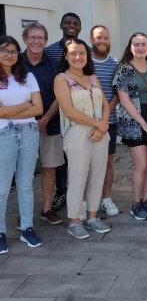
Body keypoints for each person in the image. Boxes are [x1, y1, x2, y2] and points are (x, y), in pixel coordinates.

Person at [54, 38, 112, 239]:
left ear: (87, 56)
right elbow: (69, 111)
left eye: (82, 53)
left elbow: (105, 104)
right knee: (78, 176)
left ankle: (92, 217)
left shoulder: (92, 77)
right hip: (77, 132)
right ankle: (74, 220)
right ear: (66, 55)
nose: (78, 57)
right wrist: (98, 124)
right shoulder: (62, 79)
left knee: (98, 175)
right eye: (73, 53)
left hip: (100, 133)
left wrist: (103, 126)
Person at [114, 32, 147, 220]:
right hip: (134, 124)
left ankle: (146, 199)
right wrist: (143, 123)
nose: (140, 48)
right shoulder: (123, 69)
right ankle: (136, 203)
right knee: (141, 165)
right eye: (136, 44)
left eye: (144, 44)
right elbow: (124, 99)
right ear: (130, 47)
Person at [0, 35, 43, 254]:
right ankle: (0, 232)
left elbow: (38, 108)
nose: (9, 55)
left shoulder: (27, 76)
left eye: (13, 51)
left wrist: (10, 112)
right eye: (4, 50)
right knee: (3, 186)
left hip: (29, 133)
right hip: (4, 135)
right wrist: (25, 104)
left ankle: (27, 228)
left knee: (26, 184)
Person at [21, 22, 64, 226]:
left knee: (49, 167)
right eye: (32, 37)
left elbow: (60, 95)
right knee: (25, 170)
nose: (37, 41)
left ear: (46, 41)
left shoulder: (54, 64)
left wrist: (46, 118)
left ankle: (46, 209)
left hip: (51, 123)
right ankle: (24, 212)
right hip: (21, 125)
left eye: (40, 38)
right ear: (25, 39)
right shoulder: (15, 63)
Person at [45, 12, 82, 212]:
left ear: (80, 28)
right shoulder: (49, 52)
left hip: (80, 112)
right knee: (59, 157)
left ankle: (80, 194)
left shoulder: (85, 50)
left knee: (78, 155)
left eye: (75, 23)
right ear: (60, 25)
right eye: (67, 22)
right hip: (56, 111)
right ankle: (62, 191)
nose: (71, 26)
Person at [90, 25, 119, 216]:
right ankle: (86, 201)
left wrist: (105, 114)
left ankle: (106, 198)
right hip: (85, 121)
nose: (102, 41)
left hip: (110, 120)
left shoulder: (115, 62)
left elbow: (118, 93)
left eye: (106, 38)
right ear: (91, 39)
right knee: (87, 162)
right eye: (99, 38)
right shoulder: (84, 62)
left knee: (107, 162)